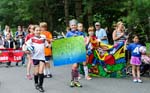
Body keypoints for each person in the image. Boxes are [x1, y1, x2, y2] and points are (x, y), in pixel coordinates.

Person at [26, 25, 50, 92]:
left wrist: (51, 44)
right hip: (35, 57)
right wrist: (27, 50)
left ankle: (40, 86)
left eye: (39, 30)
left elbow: (47, 45)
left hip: (42, 57)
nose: (38, 31)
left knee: (41, 72)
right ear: (34, 31)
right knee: (36, 72)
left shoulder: (43, 39)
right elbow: (25, 45)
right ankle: (36, 83)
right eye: (37, 30)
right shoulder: (32, 39)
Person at [66, 19, 82, 87]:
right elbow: (66, 42)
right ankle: (72, 81)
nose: (73, 26)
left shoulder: (79, 32)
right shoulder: (68, 33)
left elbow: (83, 40)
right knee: (75, 65)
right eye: (72, 25)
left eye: (74, 25)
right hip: (72, 51)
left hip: (79, 51)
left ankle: (76, 81)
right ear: (70, 26)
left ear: (76, 25)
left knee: (77, 66)